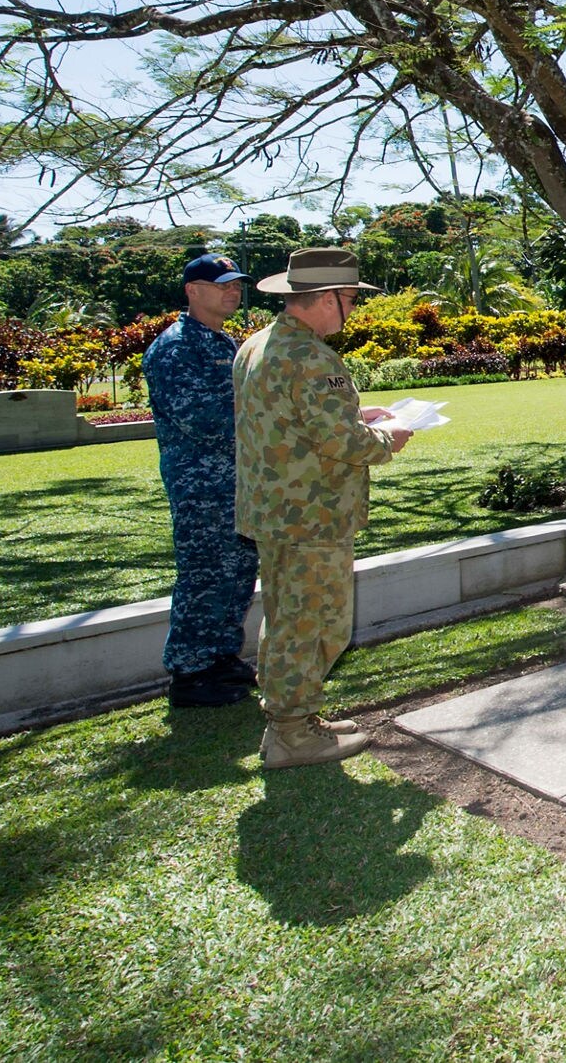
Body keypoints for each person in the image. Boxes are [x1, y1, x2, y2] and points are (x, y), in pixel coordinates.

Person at [233, 248, 413, 770]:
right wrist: (388, 438)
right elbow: (342, 443)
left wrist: (359, 413)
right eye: (350, 299)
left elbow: (291, 417)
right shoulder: (311, 356)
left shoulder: (260, 345)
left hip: (276, 511)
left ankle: (295, 718)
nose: (353, 310)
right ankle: (291, 732)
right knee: (314, 624)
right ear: (325, 299)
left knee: (287, 617)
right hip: (311, 516)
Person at [143, 253, 259, 708]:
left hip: (237, 483)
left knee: (237, 570)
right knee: (204, 574)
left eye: (236, 285)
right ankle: (190, 673)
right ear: (193, 291)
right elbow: (204, 419)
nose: (233, 291)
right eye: (222, 285)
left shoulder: (220, 342)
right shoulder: (177, 348)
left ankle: (220, 657)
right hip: (202, 486)